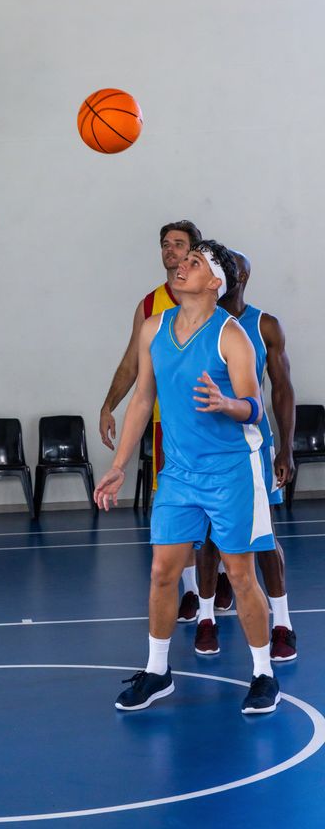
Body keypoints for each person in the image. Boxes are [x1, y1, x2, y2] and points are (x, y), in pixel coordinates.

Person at [94, 241, 281, 715]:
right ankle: (158, 672)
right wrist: (118, 466)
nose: (180, 265)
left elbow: (255, 407)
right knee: (162, 572)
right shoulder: (154, 329)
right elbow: (141, 401)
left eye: (193, 262)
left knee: (239, 575)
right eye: (180, 260)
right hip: (178, 474)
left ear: (215, 283)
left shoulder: (232, 336)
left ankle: (264, 674)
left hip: (231, 473)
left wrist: (227, 405)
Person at [194, 251, 296, 663]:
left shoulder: (263, 325)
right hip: (207, 450)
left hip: (253, 448)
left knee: (265, 537)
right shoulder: (198, 323)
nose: (228, 271)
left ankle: (283, 624)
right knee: (206, 540)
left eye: (233, 265)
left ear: (244, 277)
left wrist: (286, 446)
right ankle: (206, 619)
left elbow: (283, 389)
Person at [99, 218, 203, 620]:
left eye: (179, 244)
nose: (170, 251)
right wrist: (109, 404)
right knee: (179, 510)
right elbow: (131, 363)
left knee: (216, 513)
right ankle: (193, 591)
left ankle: (217, 583)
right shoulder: (150, 305)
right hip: (167, 427)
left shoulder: (215, 299)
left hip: (214, 426)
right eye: (165, 244)